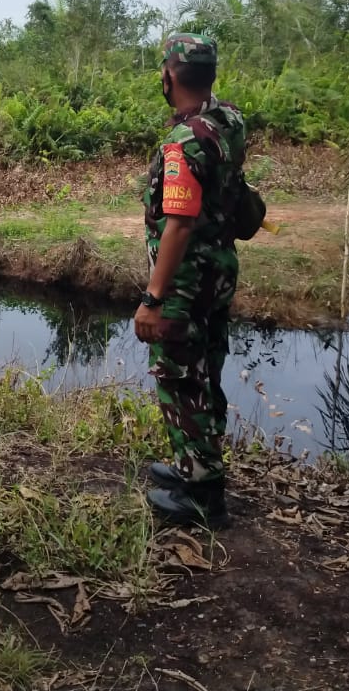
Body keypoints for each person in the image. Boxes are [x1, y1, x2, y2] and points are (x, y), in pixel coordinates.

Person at [134, 32, 246, 529]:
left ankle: (203, 493)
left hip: (186, 281)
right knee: (207, 369)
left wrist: (152, 299)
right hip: (218, 272)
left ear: (169, 76)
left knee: (182, 379)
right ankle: (192, 465)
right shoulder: (228, 120)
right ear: (212, 76)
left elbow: (177, 222)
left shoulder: (183, 143)